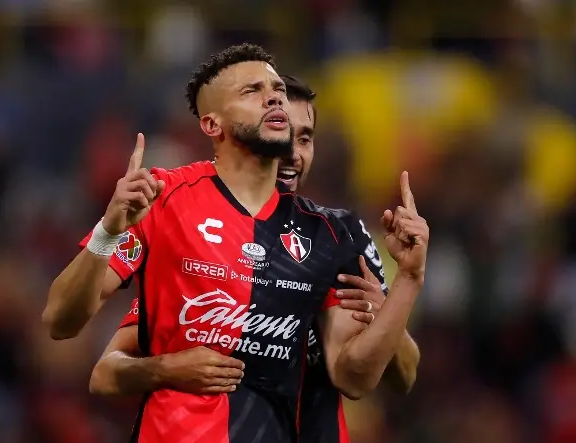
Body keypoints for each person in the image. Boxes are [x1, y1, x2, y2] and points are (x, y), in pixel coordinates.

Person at [43, 43, 428, 443]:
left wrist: (406, 284)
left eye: (306, 137)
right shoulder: (164, 201)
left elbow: (373, 376)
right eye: (254, 93)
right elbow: (77, 340)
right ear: (213, 125)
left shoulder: (336, 235)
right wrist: (109, 230)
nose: (295, 152)